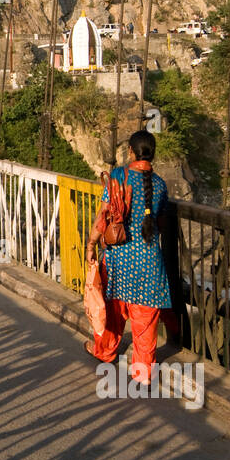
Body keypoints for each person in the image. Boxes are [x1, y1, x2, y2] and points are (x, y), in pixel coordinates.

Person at [85, 129, 172, 384]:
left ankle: (105, 351)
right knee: (145, 321)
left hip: (118, 260)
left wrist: (91, 243)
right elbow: (162, 224)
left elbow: (104, 217)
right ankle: (143, 373)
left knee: (113, 311)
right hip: (149, 264)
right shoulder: (160, 185)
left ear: (130, 152)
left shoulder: (118, 176)